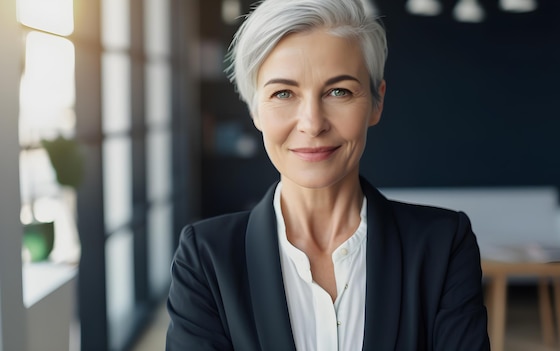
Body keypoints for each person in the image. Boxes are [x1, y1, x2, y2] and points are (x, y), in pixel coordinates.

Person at [166, 0, 490, 350]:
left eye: (339, 91)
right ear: (255, 109)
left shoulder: (443, 247)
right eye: (284, 93)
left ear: (376, 103)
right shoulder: (205, 259)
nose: (312, 123)